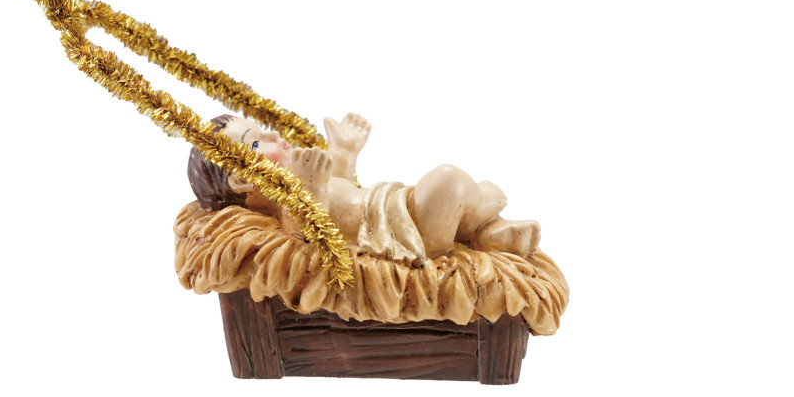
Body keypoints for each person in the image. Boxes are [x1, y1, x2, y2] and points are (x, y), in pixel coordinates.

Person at [188, 112, 541, 265]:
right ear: (243, 179)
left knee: (446, 191)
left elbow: (342, 187)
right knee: (448, 181)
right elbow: (311, 235)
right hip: (406, 232)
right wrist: (311, 186)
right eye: (254, 143)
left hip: (394, 206)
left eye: (259, 128)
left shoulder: (297, 184)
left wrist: (343, 152)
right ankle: (481, 214)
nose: (271, 133)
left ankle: (492, 234)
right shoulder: (288, 207)